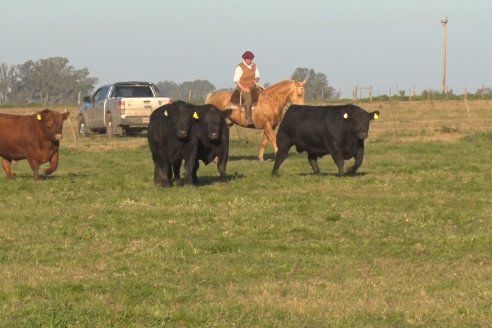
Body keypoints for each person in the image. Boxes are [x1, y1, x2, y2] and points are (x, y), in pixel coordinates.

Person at [234, 50, 260, 127]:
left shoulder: (254, 66)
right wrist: (243, 88)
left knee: (264, 95)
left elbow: (257, 76)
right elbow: (236, 80)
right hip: (242, 87)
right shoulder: (240, 67)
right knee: (248, 100)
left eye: (250, 59)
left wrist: (256, 80)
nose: (249, 60)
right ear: (244, 59)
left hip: (253, 86)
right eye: (248, 59)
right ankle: (249, 119)